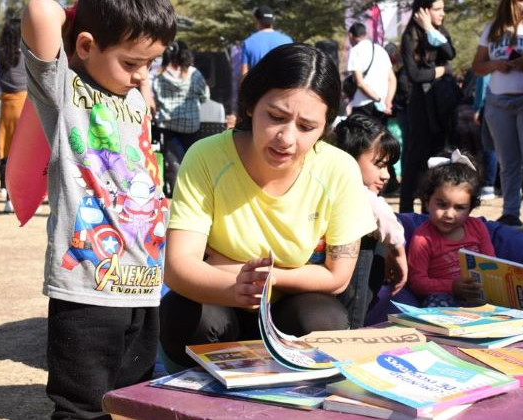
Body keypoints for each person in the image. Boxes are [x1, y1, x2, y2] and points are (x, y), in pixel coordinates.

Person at [159, 43, 376, 369]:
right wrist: (235, 287)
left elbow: (337, 277)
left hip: (290, 310)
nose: (287, 138)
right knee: (185, 315)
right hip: (219, 305)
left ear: (326, 125)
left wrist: (256, 274)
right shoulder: (206, 156)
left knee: (323, 318)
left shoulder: (339, 169)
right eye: (276, 117)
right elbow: (178, 268)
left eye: (306, 127)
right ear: (250, 105)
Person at [22, 0, 176, 418]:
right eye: (131, 62)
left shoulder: (136, 99)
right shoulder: (63, 90)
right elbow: (40, 11)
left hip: (142, 281)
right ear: (86, 46)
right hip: (88, 285)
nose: (142, 74)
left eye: (150, 62)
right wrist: (79, 16)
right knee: (82, 406)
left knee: (131, 401)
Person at [472, 0, 523, 234]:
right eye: (520, 0)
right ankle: (510, 213)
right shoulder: (492, 30)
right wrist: (495, 64)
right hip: (498, 103)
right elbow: (477, 66)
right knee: (508, 163)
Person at [331, 114, 407, 327]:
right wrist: (398, 254)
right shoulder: (358, 194)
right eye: (379, 165)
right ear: (349, 159)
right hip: (345, 292)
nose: (386, 175)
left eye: (388, 167)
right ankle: (354, 329)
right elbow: (387, 222)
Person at [407, 149, 494, 306]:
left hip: (478, 297)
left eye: (460, 207)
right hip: (443, 300)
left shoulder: (477, 228)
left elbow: (491, 266)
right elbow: (416, 282)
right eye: (442, 204)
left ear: (470, 208)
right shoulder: (423, 238)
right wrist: (452, 287)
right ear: (427, 201)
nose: (449, 214)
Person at [398, 0, 457, 213]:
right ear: (423, 10)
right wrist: (440, 71)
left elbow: (450, 53)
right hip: (420, 106)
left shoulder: (438, 32)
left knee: (436, 159)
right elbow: (414, 74)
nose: (443, 13)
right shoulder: (409, 36)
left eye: (443, 8)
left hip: (440, 105)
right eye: (437, 9)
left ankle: (428, 209)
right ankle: (406, 210)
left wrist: (430, 28)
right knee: (415, 159)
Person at [152, 41, 207, 197]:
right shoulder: (194, 73)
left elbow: (155, 97)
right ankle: (193, 192)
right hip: (191, 126)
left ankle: (175, 192)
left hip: (168, 126)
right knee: (192, 160)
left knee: (173, 161)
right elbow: (204, 96)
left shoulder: (160, 75)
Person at [0, 9, 28, 213]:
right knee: (26, 153)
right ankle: (25, 196)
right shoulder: (26, 53)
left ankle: (8, 197)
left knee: (6, 153)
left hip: (6, 105)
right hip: (25, 103)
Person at [346, 22, 396, 123]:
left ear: (350, 35)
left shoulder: (355, 51)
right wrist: (387, 102)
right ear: (365, 34)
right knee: (379, 136)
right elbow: (392, 79)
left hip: (363, 104)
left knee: (362, 137)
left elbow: (359, 83)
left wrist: (376, 99)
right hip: (382, 106)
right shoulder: (381, 50)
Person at [239, 5, 293, 78]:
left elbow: (244, 74)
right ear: (272, 21)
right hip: (283, 87)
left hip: (258, 87)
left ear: (257, 20)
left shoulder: (248, 42)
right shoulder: (288, 41)